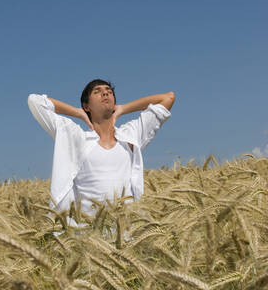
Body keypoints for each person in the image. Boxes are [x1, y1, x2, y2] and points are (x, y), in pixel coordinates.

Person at [27, 79, 175, 218]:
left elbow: (168, 98)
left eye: (109, 91)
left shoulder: (130, 135)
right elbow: (35, 101)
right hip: (86, 234)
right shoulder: (76, 137)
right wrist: (76, 112)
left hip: (127, 234)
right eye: (97, 91)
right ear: (86, 106)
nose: (105, 93)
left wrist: (124, 108)